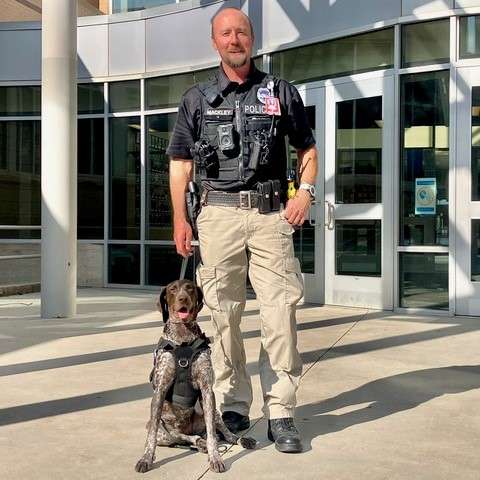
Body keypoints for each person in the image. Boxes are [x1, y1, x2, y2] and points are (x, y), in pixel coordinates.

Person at [167, 7, 318, 453]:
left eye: (242, 32)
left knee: (279, 313)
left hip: (272, 217)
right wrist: (180, 217)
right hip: (217, 216)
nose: (235, 39)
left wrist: (304, 193)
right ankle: (234, 403)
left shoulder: (279, 92)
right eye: (226, 33)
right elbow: (180, 164)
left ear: (252, 39)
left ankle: (282, 410)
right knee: (223, 314)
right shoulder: (196, 99)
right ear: (215, 42)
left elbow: (307, 148)